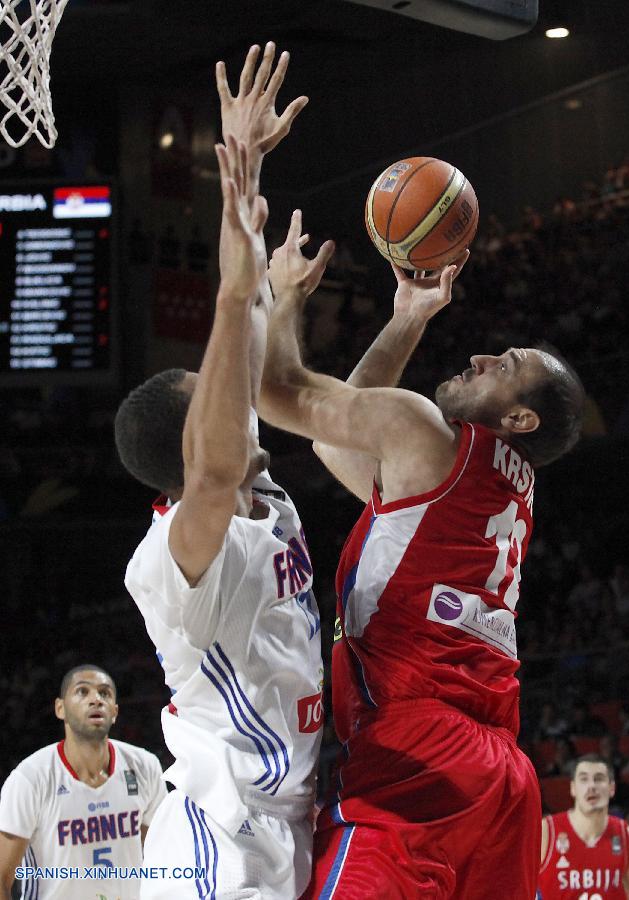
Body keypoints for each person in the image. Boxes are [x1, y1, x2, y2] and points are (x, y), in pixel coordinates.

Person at [259, 209, 586, 897]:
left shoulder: (427, 437)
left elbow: (276, 394)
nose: (482, 357)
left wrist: (283, 294)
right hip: (502, 775)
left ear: (520, 418)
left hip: (420, 750)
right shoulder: (495, 485)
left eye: (508, 365)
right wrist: (408, 315)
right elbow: (337, 444)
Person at [116, 46, 324, 898]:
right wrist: (234, 290)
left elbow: (248, 363)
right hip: (217, 845)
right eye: (216, 402)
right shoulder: (173, 561)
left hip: (291, 821)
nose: (235, 400)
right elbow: (214, 465)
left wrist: (251, 184)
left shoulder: (263, 501)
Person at [0, 664, 166, 900]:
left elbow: (161, 853)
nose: (96, 700)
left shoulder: (144, 766)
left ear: (115, 711)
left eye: (105, 693)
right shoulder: (30, 778)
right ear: (60, 708)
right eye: (82, 691)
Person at [538, 755, 629, 899]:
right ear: (573, 788)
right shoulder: (546, 832)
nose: (591, 786)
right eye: (584, 779)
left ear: (612, 788)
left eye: (599, 778)